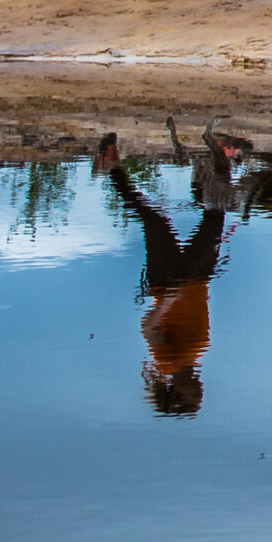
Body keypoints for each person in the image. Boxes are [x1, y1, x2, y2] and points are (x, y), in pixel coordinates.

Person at [95, 121, 240, 418]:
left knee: (156, 220)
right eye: (199, 395)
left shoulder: (169, 361)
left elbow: (148, 327)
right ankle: (214, 166)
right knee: (213, 215)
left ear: (176, 389)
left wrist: (171, 300)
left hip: (169, 282)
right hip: (198, 278)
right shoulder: (192, 358)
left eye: (193, 394)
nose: (200, 390)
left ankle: (112, 166)